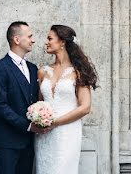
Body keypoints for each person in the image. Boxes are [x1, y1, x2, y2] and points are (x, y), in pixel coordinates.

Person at [34, 24, 98, 173]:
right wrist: (39, 119)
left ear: (62, 42)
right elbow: (41, 103)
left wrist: (55, 122)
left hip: (67, 132)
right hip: (45, 135)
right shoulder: (43, 71)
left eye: (50, 38)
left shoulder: (78, 72)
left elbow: (85, 107)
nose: (46, 42)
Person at [0, 21, 45, 174]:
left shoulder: (33, 68)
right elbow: (0, 106)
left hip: (29, 142)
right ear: (17, 40)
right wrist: (28, 126)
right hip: (7, 140)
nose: (33, 40)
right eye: (30, 36)